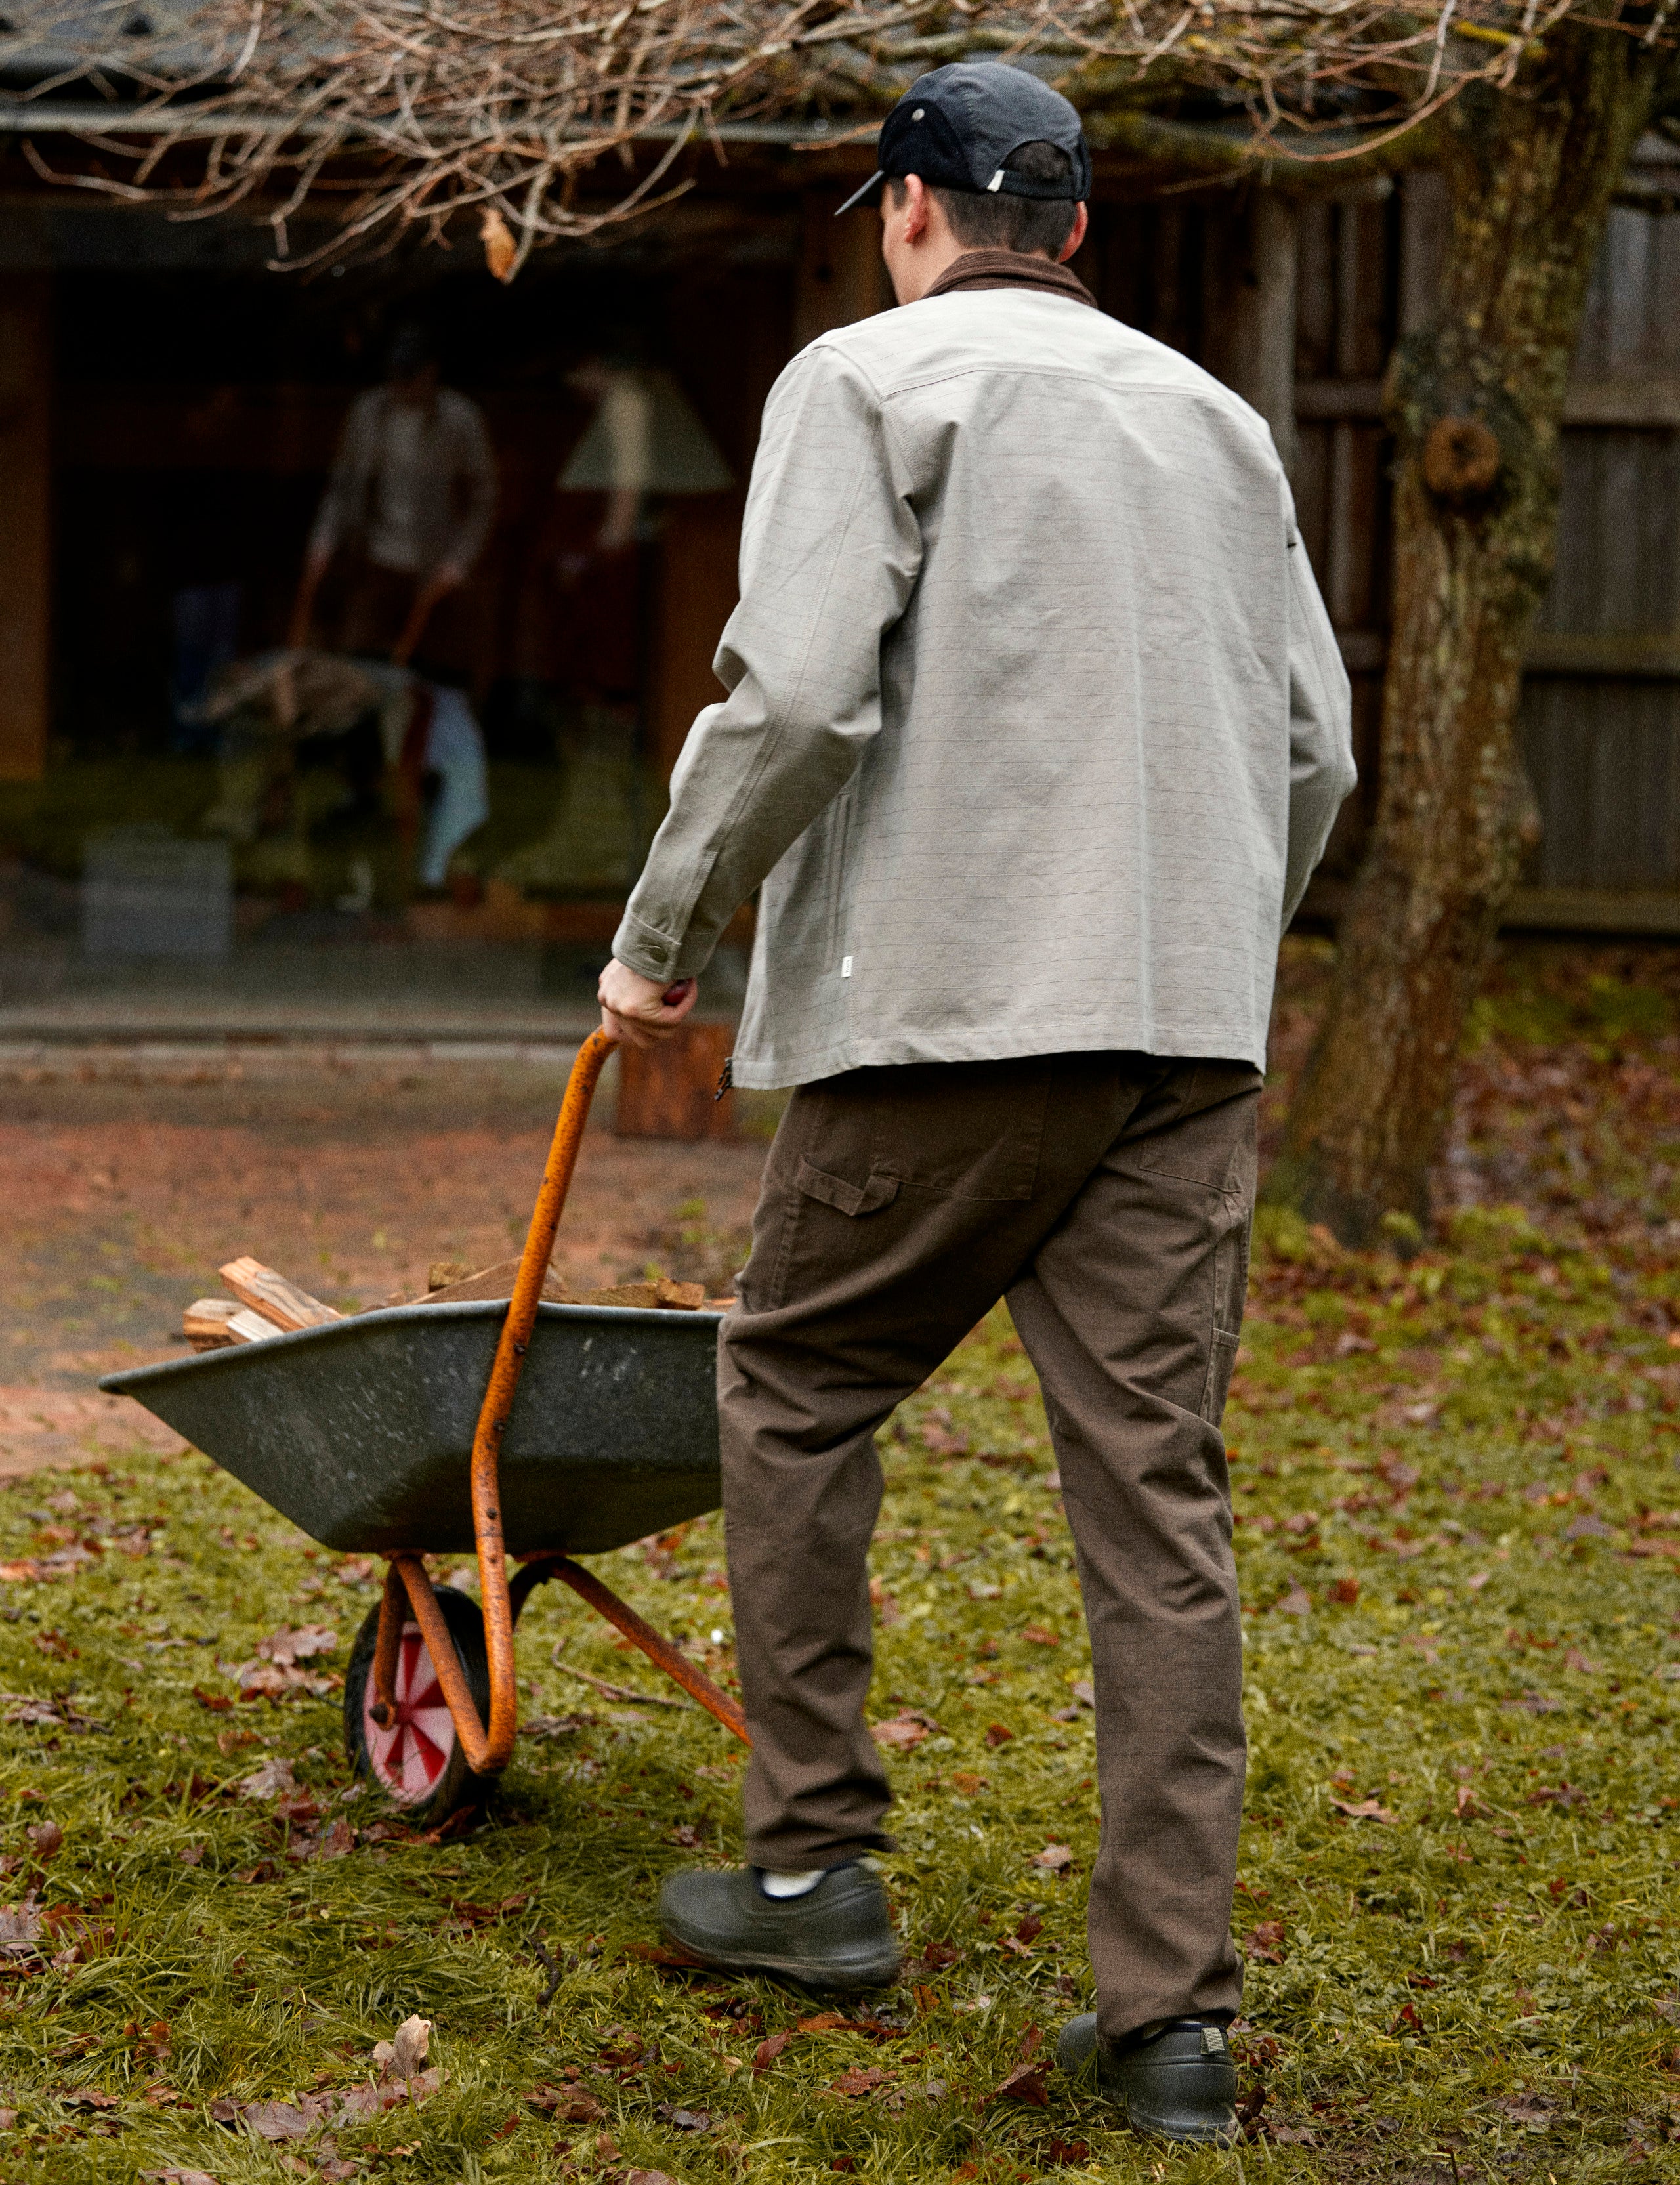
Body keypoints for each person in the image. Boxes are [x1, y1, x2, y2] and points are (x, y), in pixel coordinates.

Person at [596, 60, 1355, 2149]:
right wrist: (1197, 944)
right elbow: (1313, 753)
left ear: (908, 207)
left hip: (946, 1019)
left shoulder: (863, 382)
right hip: (1182, 1041)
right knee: (1157, 1506)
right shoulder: (1216, 422)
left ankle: (811, 1866)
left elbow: (803, 693)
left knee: (794, 1382)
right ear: (1082, 229)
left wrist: (666, 924)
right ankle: (1171, 2021)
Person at [291, 324, 497, 671]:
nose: (400, 386)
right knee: (359, 663)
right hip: (374, 562)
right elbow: (342, 485)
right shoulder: (367, 412)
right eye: (395, 376)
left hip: (431, 569)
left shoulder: (460, 421)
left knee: (423, 672)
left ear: (430, 373)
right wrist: (324, 539)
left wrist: (460, 560)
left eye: (409, 377)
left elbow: (484, 499)